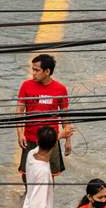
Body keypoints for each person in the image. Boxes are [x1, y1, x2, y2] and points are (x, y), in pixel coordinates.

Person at [16, 54, 73, 185]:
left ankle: (47, 200)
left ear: (47, 71)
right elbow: (19, 112)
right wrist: (20, 134)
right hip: (30, 138)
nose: (33, 73)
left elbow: (65, 116)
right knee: (26, 173)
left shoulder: (60, 89)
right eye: (33, 69)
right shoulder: (26, 86)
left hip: (51, 140)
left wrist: (68, 140)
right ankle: (28, 194)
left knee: (49, 174)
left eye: (37, 70)